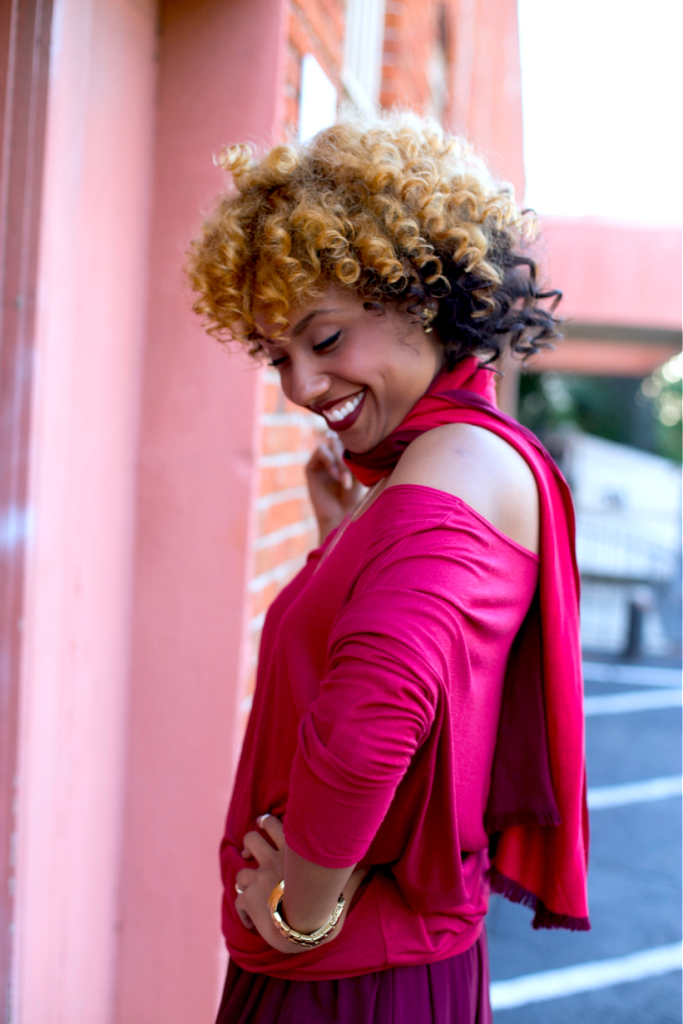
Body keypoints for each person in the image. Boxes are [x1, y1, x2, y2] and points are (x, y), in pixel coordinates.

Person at [188, 114, 589, 1024]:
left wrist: (305, 908)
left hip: (348, 982)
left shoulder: (442, 474)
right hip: (367, 967)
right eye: (275, 354)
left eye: (322, 340)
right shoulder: (453, 464)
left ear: (421, 294)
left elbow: (377, 718)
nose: (297, 385)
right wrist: (342, 539)